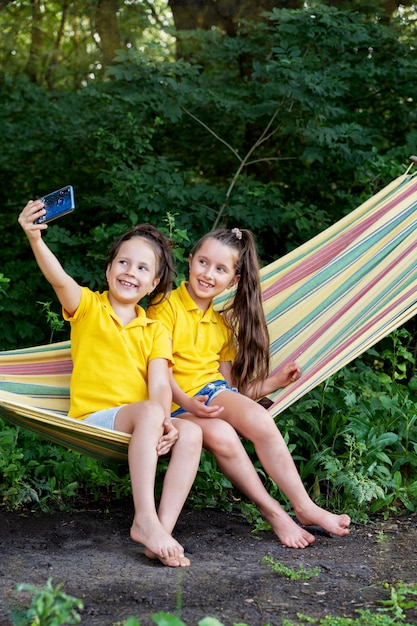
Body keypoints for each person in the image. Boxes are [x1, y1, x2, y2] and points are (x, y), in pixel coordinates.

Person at [18, 199, 203, 567]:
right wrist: (36, 239)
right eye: (123, 262)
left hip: (142, 424)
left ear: (152, 284)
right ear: (107, 270)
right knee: (152, 411)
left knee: (193, 433)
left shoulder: (155, 329)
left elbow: (160, 384)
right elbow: (58, 277)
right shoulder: (87, 307)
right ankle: (145, 518)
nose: (130, 271)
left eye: (141, 268)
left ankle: (158, 531)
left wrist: (167, 420)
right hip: (95, 419)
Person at [148, 227, 351, 549]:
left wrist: (273, 383)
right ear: (189, 261)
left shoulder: (222, 327)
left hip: (202, 405)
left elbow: (229, 392)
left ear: (234, 280)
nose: (208, 273)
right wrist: (188, 399)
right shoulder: (165, 308)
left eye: (220, 269)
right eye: (203, 262)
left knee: (229, 433)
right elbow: (156, 370)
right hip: (170, 404)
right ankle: (302, 507)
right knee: (255, 421)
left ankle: (278, 512)